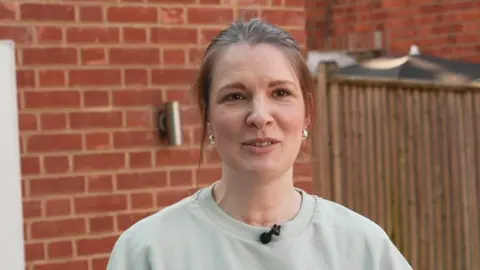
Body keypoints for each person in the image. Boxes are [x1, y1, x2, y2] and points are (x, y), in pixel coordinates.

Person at [107, 18, 413, 270]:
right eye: (235, 96)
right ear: (208, 117)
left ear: (306, 113)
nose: (259, 116)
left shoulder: (362, 248)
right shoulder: (148, 252)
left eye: (280, 93)